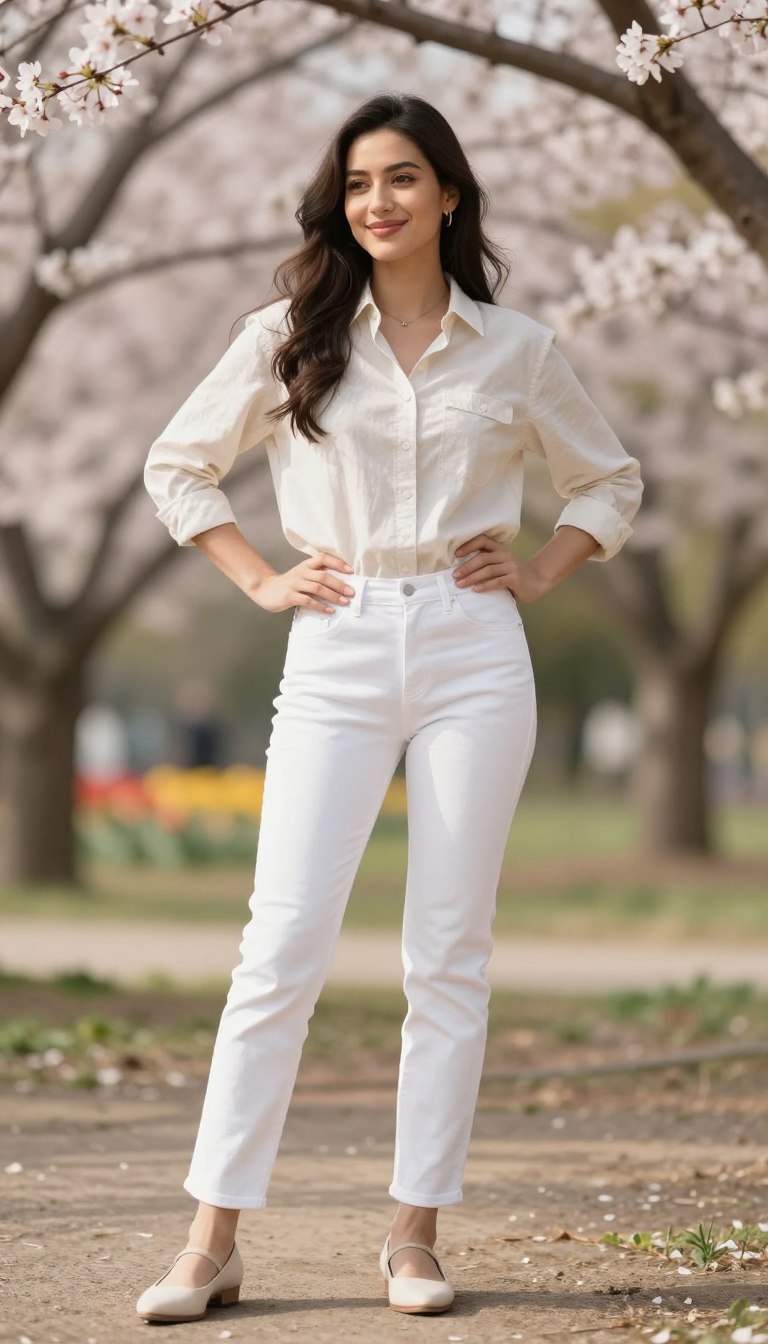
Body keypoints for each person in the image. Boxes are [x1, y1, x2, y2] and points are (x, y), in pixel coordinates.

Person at [136, 90, 643, 1323]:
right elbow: (177, 464)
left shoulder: (515, 349)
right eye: (361, 181)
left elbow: (611, 482)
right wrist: (260, 578)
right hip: (337, 640)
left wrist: (537, 570)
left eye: (405, 178)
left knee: (447, 954)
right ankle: (211, 1242)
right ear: (340, 198)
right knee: (281, 947)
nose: (380, 200)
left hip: (475, 644)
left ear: (450, 194)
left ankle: (413, 1237)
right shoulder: (288, 335)